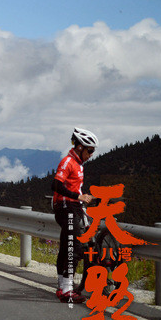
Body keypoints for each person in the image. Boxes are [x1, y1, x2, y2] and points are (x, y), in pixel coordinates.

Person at [51, 127, 97, 303]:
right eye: (90, 150)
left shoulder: (78, 164)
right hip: (66, 207)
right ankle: (67, 290)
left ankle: (62, 286)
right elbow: (56, 185)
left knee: (66, 246)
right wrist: (78, 196)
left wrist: (84, 197)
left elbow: (73, 187)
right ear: (79, 147)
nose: (91, 154)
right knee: (75, 247)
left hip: (72, 206)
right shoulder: (68, 162)